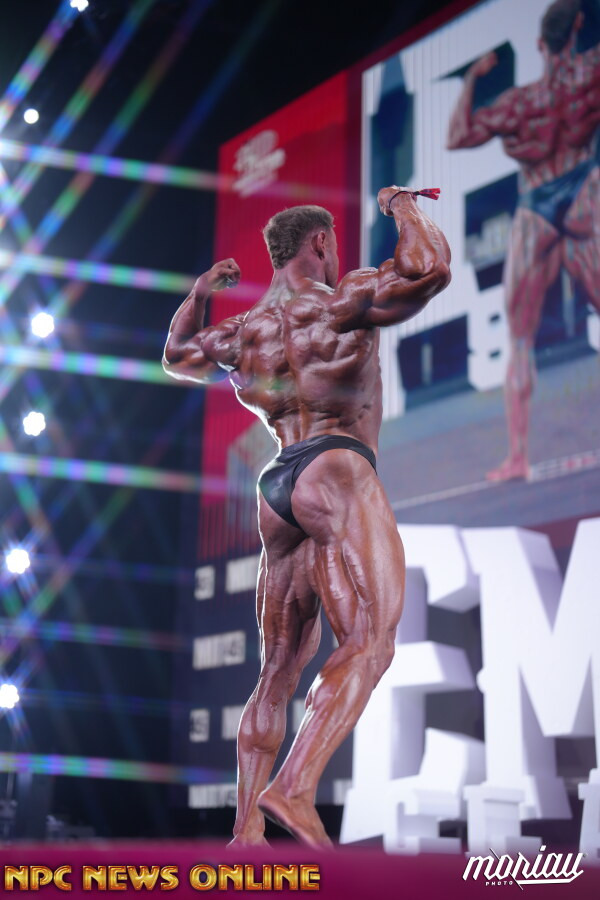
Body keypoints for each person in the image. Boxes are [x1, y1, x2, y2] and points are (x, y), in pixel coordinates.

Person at [162, 187, 451, 847]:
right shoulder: (341, 300)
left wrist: (200, 294)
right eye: (333, 245)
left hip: (277, 486)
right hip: (336, 465)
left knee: (278, 668)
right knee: (372, 638)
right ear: (320, 243)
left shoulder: (243, 331)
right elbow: (430, 269)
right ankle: (293, 788)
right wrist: (402, 206)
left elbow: (176, 356)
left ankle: (244, 836)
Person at [447, 0, 600, 481]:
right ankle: (515, 457)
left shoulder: (522, 102)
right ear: (577, 29)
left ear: (538, 44)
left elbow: (458, 135)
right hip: (581, 195)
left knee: (520, 339)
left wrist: (472, 79)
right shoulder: (590, 74)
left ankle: (517, 457)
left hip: (537, 208)